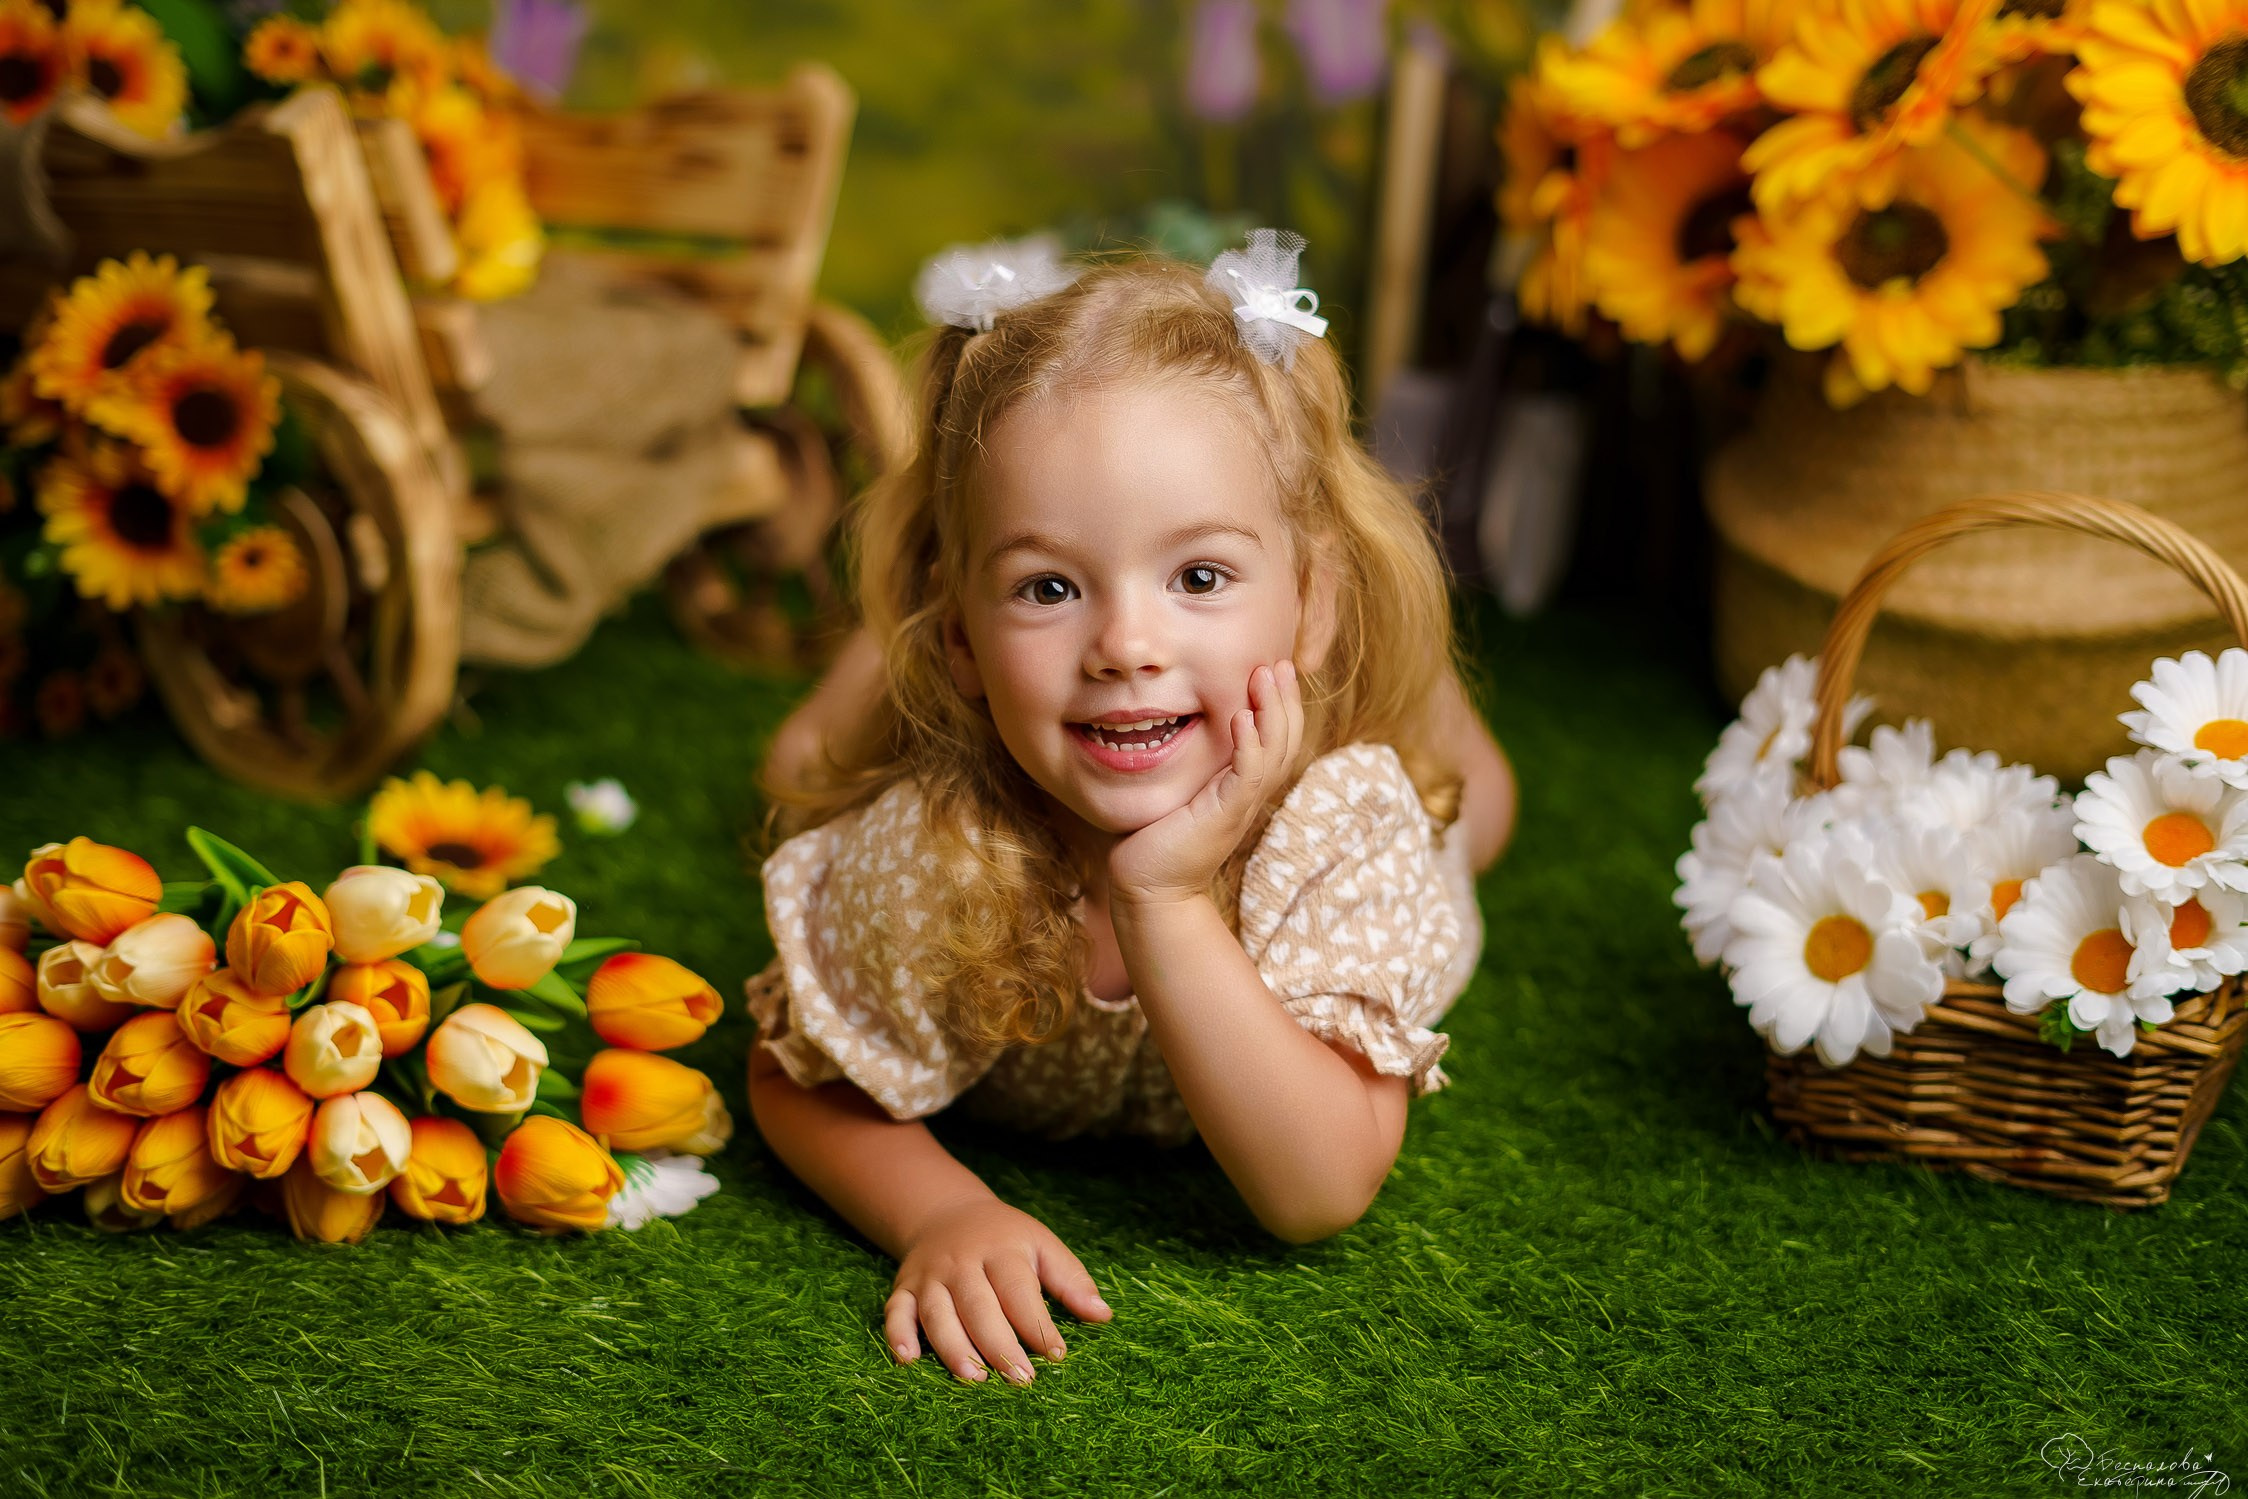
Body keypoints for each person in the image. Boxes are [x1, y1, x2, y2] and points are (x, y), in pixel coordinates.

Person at [744, 230, 1517, 1390]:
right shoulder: (934, 846)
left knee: (1472, 804)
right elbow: (793, 1072)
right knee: (799, 761)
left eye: (1198, 575)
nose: (1125, 646)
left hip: (1359, 791)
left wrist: (1161, 896)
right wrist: (939, 1210)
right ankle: (900, 629)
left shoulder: (1348, 825)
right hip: (982, 696)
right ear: (964, 636)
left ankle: (1376, 663)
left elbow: (1316, 1191)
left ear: (1306, 603)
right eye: (1048, 585)